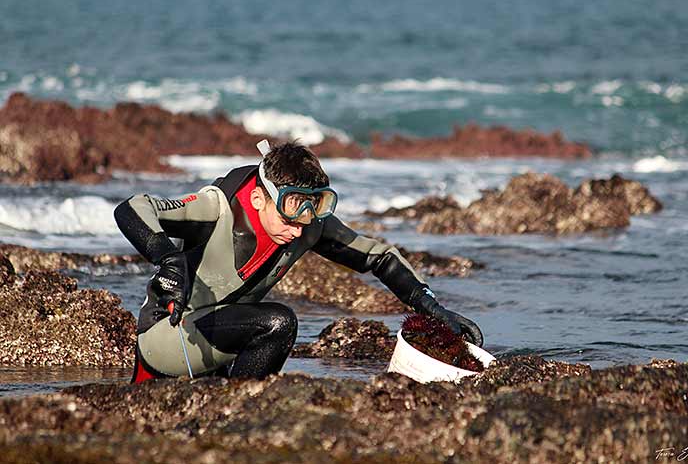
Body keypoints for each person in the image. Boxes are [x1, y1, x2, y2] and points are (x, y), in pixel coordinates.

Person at [114, 140, 483, 383]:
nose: (297, 231)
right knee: (279, 322)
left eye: (309, 216)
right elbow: (132, 207)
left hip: (223, 344)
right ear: (259, 199)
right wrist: (166, 257)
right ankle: (237, 413)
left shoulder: (306, 226)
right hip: (167, 336)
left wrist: (433, 309)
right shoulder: (216, 207)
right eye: (289, 216)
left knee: (273, 324)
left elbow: (379, 257)